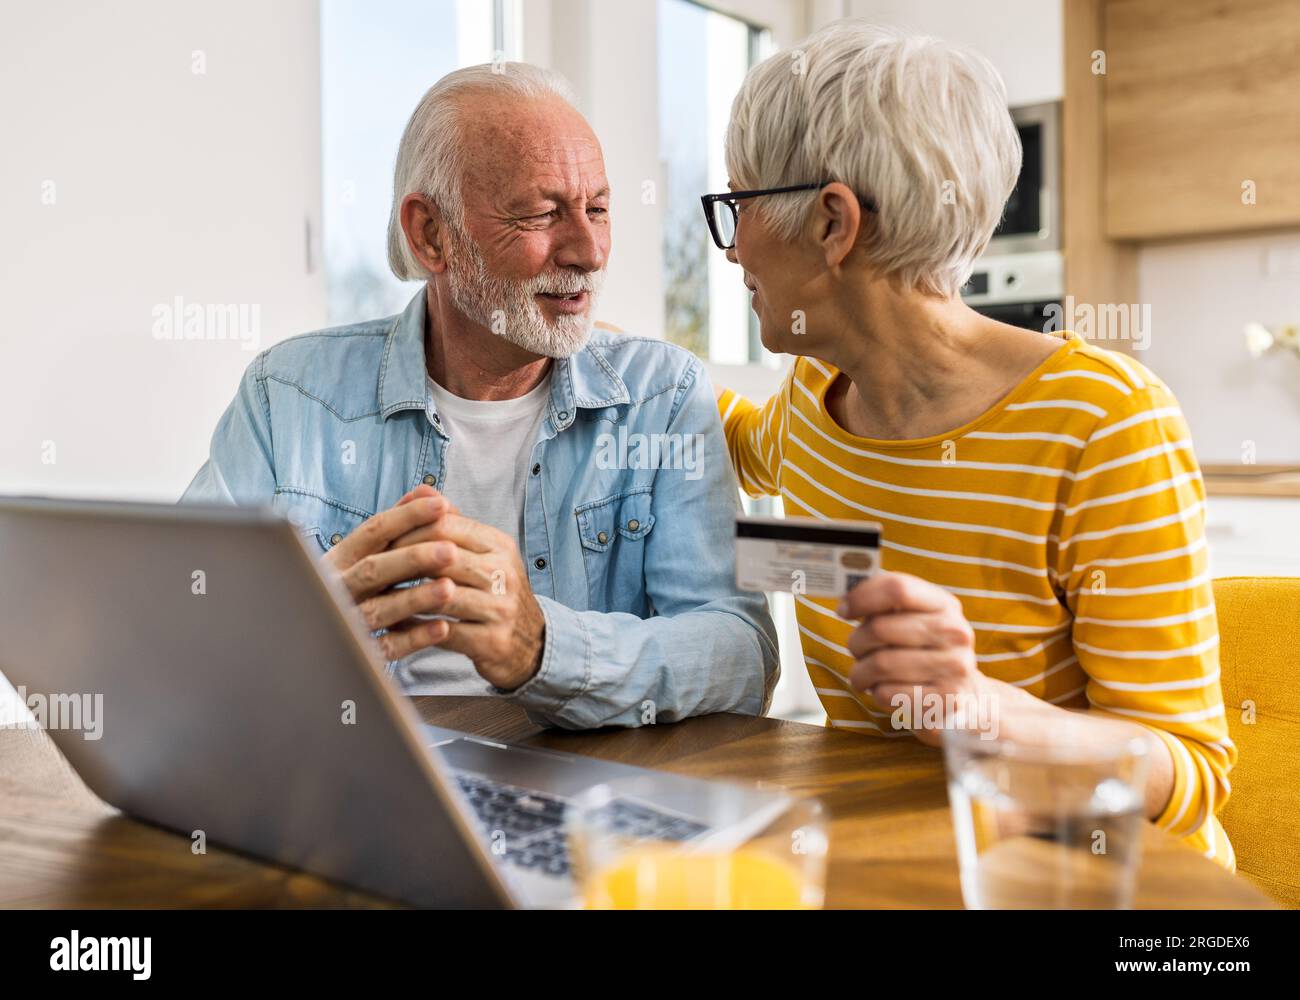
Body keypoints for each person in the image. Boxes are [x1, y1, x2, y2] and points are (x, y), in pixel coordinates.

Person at [710, 21, 1234, 865]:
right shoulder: (810, 402)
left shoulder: (1104, 425)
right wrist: (594, 347)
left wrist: (977, 706)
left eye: (738, 207)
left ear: (832, 223)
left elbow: (1187, 774)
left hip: (1098, 885)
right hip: (900, 859)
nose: (732, 248)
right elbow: (725, 428)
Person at [183, 63, 779, 730]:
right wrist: (307, 631)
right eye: (543, 213)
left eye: (599, 209)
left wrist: (541, 648)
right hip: (353, 783)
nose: (587, 250)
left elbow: (741, 654)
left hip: (587, 799)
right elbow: (176, 632)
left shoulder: (663, 397)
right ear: (431, 234)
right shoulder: (286, 398)